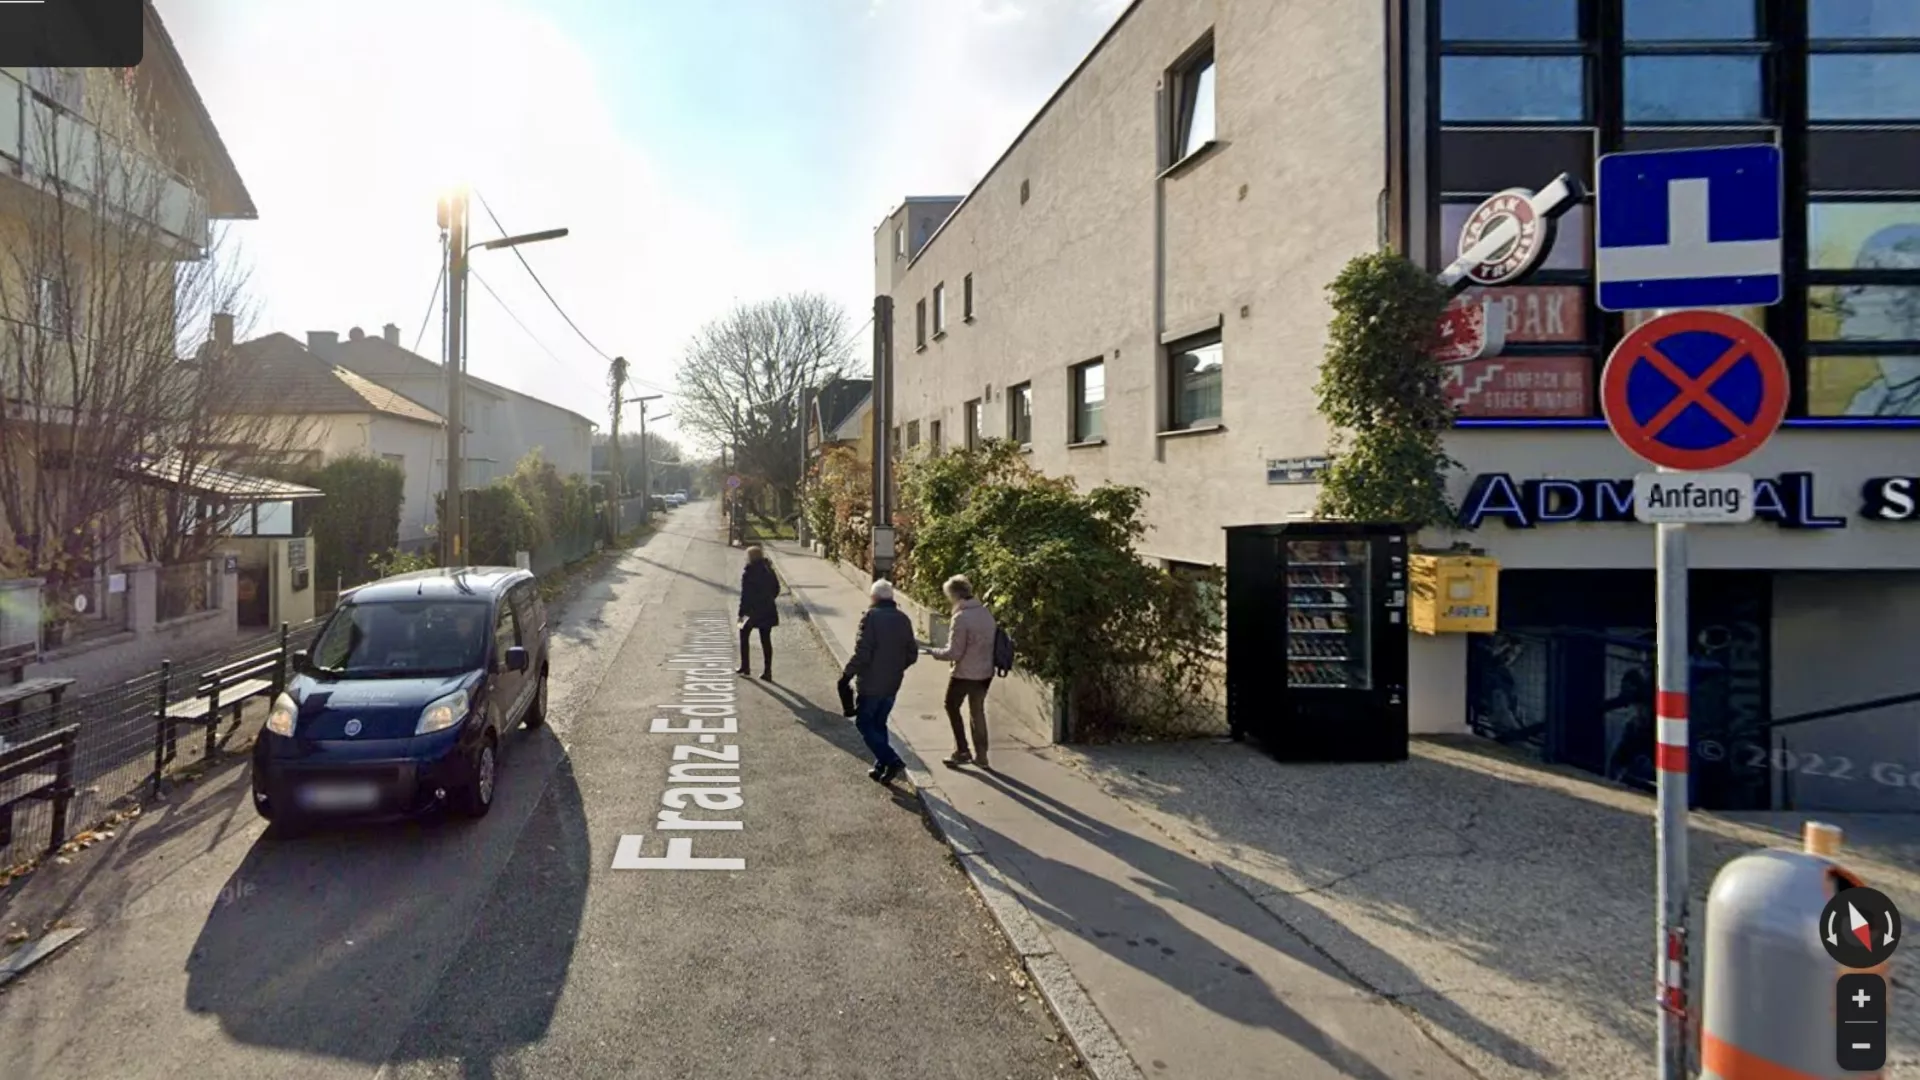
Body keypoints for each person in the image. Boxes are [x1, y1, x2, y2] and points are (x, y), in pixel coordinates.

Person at [844, 579, 918, 784]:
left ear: (874, 597)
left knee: (864, 723)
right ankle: (880, 766)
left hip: (871, 683)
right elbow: (912, 654)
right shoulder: (903, 619)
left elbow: (863, 653)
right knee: (879, 723)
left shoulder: (871, 618)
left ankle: (891, 760)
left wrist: (847, 673)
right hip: (893, 682)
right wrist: (896, 668)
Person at [928, 574, 997, 769]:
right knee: (977, 711)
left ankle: (962, 750)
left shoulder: (961, 618)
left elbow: (954, 652)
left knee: (951, 706)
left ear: (955, 595)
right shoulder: (985, 613)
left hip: (965, 673)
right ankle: (982, 756)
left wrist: (934, 652)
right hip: (985, 672)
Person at [736, 545, 780, 679]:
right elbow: (776, 588)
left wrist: (741, 614)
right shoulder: (769, 570)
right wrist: (769, 599)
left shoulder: (748, 573)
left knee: (743, 635)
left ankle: (745, 666)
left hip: (749, 611)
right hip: (767, 609)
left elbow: (745, 596)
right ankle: (767, 671)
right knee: (766, 640)